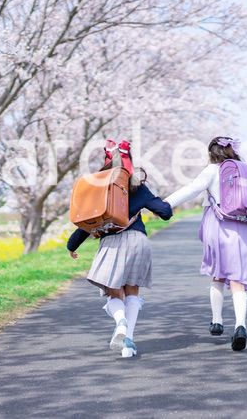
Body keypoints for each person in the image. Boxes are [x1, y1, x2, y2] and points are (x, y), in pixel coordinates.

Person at [67, 139, 172, 358]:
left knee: (114, 293)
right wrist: (162, 204)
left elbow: (88, 222)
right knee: (132, 290)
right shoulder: (137, 187)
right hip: (137, 241)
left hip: (112, 243)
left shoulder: (99, 188)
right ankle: (128, 343)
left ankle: (120, 323)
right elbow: (164, 212)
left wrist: (72, 245)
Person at [164, 137, 247, 351]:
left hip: (218, 225)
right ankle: (241, 325)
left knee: (217, 274)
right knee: (238, 279)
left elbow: (191, 189)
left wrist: (165, 204)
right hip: (242, 227)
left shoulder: (211, 170)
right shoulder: (244, 169)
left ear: (212, 153)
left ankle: (217, 321)